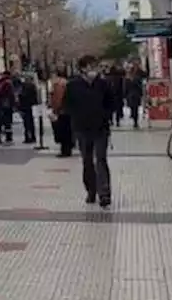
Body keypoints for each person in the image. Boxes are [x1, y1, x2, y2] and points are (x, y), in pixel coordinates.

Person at [65, 55, 115, 207]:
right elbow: (68, 105)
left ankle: (104, 193)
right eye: (89, 67)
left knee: (101, 159)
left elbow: (111, 103)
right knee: (87, 161)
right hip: (82, 129)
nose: (93, 70)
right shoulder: (73, 85)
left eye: (94, 66)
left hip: (101, 128)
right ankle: (91, 191)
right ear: (82, 69)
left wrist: (105, 116)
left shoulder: (103, 84)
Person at [49, 67, 73, 157]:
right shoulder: (66, 82)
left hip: (61, 110)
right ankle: (68, 148)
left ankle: (65, 150)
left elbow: (58, 98)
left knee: (62, 131)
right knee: (68, 130)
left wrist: (55, 109)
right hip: (68, 109)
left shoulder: (57, 84)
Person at [18, 72, 40, 144]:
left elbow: (21, 96)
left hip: (25, 107)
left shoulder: (23, 86)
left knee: (27, 123)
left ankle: (28, 137)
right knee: (31, 122)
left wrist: (19, 106)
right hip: (31, 106)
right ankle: (32, 137)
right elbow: (35, 97)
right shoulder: (33, 86)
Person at [123, 62, 144, 129]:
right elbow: (140, 87)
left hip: (130, 96)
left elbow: (125, 88)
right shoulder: (137, 78)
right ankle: (135, 121)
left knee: (133, 108)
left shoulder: (127, 79)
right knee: (136, 109)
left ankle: (134, 120)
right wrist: (141, 94)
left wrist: (125, 96)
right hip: (136, 95)